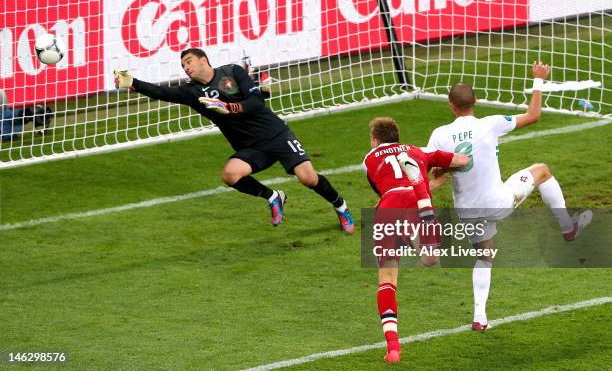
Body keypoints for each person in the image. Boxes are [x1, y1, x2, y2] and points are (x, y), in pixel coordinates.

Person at [426, 61, 593, 331]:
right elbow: (533, 115)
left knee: (484, 256)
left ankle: (479, 317)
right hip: (497, 203)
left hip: (467, 211)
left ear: (450, 105)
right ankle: (568, 228)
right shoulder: (490, 124)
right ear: (475, 102)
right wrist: (538, 80)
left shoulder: (439, 135)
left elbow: (431, 166)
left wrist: (441, 175)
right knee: (541, 171)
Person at [113, 48, 354, 232]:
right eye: (183, 65)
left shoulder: (232, 72)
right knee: (230, 175)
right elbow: (161, 92)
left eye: (189, 62)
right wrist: (133, 83)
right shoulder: (191, 92)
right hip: (251, 148)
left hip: (276, 135)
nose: (186, 67)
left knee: (308, 178)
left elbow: (256, 101)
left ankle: (341, 207)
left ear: (203, 60)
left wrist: (229, 108)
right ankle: (273, 197)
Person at [362, 117, 469, 363]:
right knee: (430, 259)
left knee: (387, 279)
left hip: (389, 204)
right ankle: (422, 195)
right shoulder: (418, 151)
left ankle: (393, 349)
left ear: (375, 140)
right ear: (397, 136)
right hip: (415, 199)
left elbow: (384, 185)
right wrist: (440, 170)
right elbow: (463, 160)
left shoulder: (368, 159)